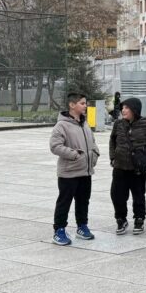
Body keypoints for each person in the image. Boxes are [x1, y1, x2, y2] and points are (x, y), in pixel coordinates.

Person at [50, 93, 100, 246]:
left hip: (85, 171)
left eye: (85, 103)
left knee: (83, 200)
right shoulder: (62, 125)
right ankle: (59, 230)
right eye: (82, 103)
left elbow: (92, 141)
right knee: (64, 202)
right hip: (69, 172)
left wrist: (95, 154)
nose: (85, 106)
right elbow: (55, 146)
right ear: (72, 105)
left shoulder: (84, 123)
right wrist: (74, 155)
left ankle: (82, 226)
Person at [109, 98, 146, 235]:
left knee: (138, 195)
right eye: (122, 108)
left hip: (138, 167)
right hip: (120, 166)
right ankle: (121, 219)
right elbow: (112, 140)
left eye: (127, 108)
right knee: (117, 196)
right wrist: (112, 157)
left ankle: (139, 219)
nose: (123, 110)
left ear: (135, 110)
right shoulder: (118, 124)